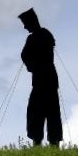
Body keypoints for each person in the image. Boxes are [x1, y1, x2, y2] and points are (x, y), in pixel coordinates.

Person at [19, 8, 62, 146]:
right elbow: (25, 55)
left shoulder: (39, 36)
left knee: (46, 112)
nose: (25, 27)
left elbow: (26, 55)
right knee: (38, 112)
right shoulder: (42, 35)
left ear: (32, 22)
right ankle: (42, 142)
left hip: (45, 80)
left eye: (26, 23)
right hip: (44, 79)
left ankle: (50, 142)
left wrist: (33, 65)